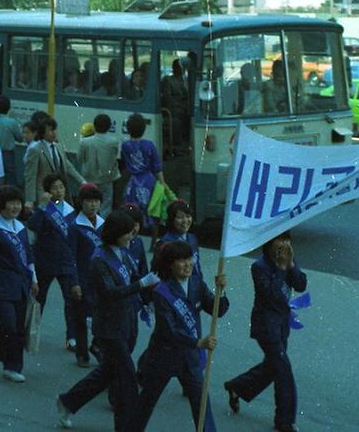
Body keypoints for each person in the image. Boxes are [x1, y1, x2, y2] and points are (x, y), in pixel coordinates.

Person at [56, 210, 160, 431]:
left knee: (107, 373)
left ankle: (68, 401)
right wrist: (141, 284)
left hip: (126, 321)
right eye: (126, 233)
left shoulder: (124, 253)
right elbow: (111, 292)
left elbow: (134, 277)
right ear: (114, 233)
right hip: (108, 327)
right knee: (127, 379)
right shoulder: (99, 259)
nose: (130, 237)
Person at [132, 240, 229, 431]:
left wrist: (221, 291)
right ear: (170, 264)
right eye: (182, 260)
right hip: (164, 357)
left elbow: (218, 310)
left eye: (190, 259)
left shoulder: (196, 282)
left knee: (201, 404)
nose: (188, 264)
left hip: (189, 358)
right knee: (146, 403)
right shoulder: (162, 292)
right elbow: (169, 329)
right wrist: (198, 342)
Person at [223, 231, 306, 432]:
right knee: (283, 371)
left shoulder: (289, 257)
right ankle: (284, 421)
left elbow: (301, 285)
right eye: (279, 241)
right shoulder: (259, 267)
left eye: (287, 241)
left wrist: (291, 266)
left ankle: (237, 386)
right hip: (266, 325)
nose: (283, 245)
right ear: (269, 243)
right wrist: (279, 269)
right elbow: (270, 294)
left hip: (282, 323)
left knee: (273, 367)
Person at [0, 185, 38, 383]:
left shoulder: (21, 228)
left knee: (19, 327)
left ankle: (13, 367)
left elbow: (29, 257)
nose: (15, 207)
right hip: (1, 283)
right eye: (11, 203)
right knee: (8, 324)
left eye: (18, 203)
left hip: (22, 283)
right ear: (1, 205)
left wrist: (34, 280)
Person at [26, 174, 80, 362]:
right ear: (48, 191)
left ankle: (71, 337)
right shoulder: (44, 210)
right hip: (45, 260)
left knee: (70, 299)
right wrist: (41, 207)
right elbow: (32, 226)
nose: (59, 191)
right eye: (55, 188)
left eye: (62, 187)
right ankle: (31, 331)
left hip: (65, 262)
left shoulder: (71, 211)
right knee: (39, 298)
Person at [65, 183, 105, 366]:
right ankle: (82, 353)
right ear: (81, 203)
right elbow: (70, 257)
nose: (93, 205)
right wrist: (74, 282)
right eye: (89, 201)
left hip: (100, 280)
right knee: (81, 317)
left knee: (100, 317)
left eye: (96, 201)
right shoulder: (75, 227)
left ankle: (96, 345)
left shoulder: (104, 225)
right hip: (81, 279)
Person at [24, 117, 85, 209]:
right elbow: (30, 177)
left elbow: (68, 166)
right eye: (50, 131)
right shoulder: (35, 150)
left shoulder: (58, 146)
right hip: (44, 194)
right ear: (43, 133)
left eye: (55, 130)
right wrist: (30, 200)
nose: (54, 133)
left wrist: (82, 181)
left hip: (59, 192)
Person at [121, 113, 165, 239]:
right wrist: (162, 183)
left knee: (132, 210)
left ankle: (133, 237)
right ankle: (154, 241)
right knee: (152, 210)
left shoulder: (125, 146)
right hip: (149, 180)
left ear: (128, 129)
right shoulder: (149, 145)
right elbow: (157, 165)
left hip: (134, 181)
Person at [78, 113, 120, 217]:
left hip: (89, 179)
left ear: (94, 126)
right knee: (105, 206)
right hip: (107, 179)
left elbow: (79, 159)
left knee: (89, 205)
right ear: (109, 126)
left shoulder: (85, 142)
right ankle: (103, 227)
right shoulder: (113, 141)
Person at [157, 200, 203, 281]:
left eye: (188, 216)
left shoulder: (192, 238)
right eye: (180, 217)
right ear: (172, 220)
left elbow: (197, 266)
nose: (185, 221)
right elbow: (162, 273)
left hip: (194, 286)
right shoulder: (165, 243)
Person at [0, 95, 23, 186]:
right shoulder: (12, 122)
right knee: (10, 178)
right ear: (8, 108)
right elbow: (20, 138)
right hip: (8, 154)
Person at [160, 59, 190, 149]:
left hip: (186, 105)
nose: (182, 70)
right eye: (180, 67)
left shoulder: (186, 80)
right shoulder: (168, 80)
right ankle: (179, 146)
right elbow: (168, 98)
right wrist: (182, 106)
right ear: (174, 68)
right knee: (180, 116)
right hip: (173, 108)